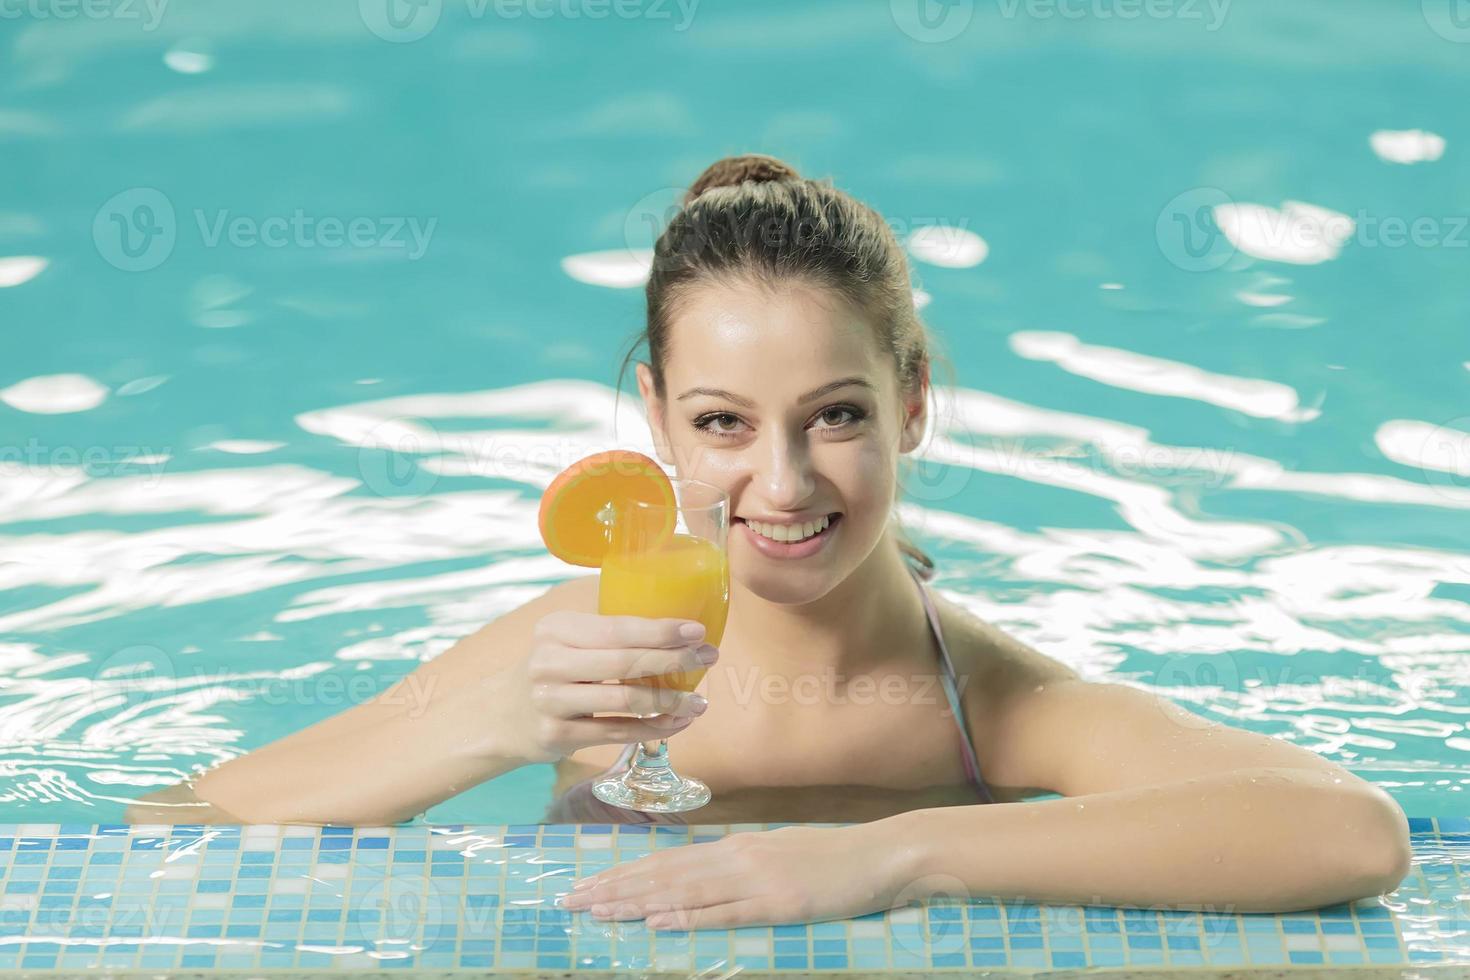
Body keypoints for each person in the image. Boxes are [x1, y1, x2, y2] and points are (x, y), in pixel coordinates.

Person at [129, 154, 1411, 929]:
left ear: (912, 405)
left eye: (838, 415)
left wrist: (892, 854)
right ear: (660, 427)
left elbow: (1347, 828)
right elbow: (171, 824)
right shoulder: (581, 658)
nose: (782, 481)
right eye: (723, 422)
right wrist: (488, 727)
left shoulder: (986, 706)